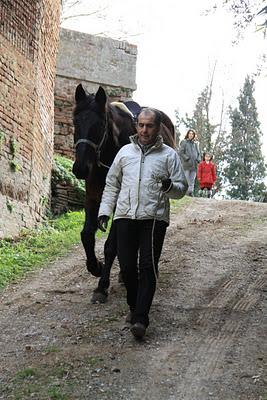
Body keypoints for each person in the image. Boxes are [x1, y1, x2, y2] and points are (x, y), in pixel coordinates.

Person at [97, 108, 188, 339]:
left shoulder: (169, 155)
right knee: (127, 268)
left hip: (154, 219)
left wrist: (169, 187)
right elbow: (112, 185)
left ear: (158, 128)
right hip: (125, 216)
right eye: (141, 125)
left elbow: (181, 188)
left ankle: (140, 318)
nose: (145, 130)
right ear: (136, 126)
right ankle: (134, 305)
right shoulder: (124, 153)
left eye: (149, 126)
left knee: (148, 267)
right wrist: (105, 211)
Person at [178, 129, 201, 196]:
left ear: (194, 135)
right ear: (187, 134)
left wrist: (198, 159)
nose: (191, 135)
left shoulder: (196, 144)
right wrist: (186, 158)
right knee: (186, 180)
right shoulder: (184, 142)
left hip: (194, 165)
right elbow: (181, 152)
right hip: (186, 164)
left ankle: (190, 192)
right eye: (190, 133)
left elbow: (199, 153)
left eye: (192, 134)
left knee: (192, 180)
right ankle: (184, 193)